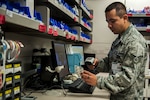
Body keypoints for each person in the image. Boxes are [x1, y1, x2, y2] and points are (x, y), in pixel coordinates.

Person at [81, 2, 149, 100]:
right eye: (107, 21)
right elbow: (111, 62)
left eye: (112, 21)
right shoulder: (120, 38)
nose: (109, 25)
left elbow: (127, 78)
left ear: (125, 18)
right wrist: (97, 64)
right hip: (116, 95)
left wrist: (98, 81)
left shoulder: (135, 43)